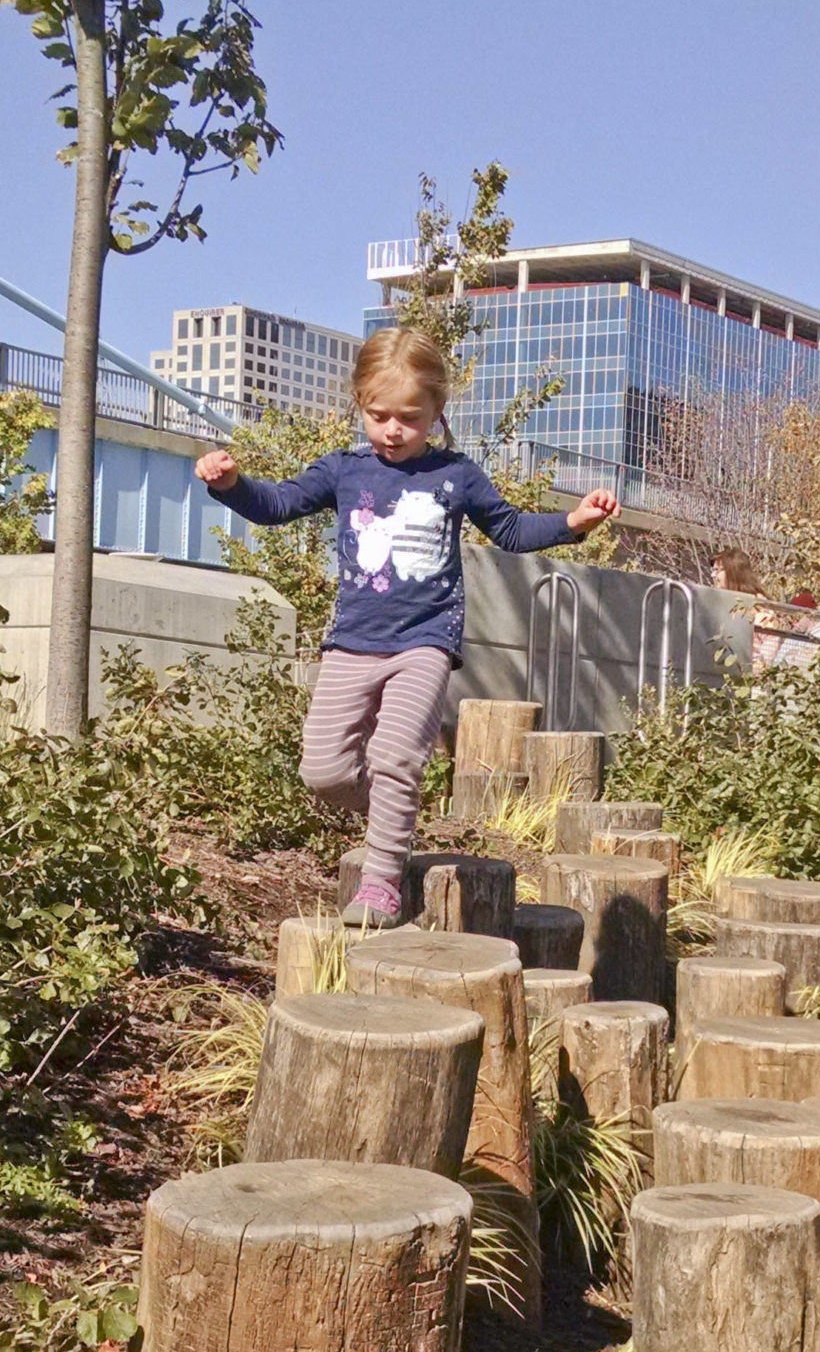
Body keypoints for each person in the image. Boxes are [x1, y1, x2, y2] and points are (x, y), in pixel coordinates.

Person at [194, 326, 621, 929]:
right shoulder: (344, 471)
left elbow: (510, 530)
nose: (393, 430)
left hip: (425, 640)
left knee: (395, 756)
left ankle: (381, 884)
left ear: (436, 412)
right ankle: (396, 807)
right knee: (324, 770)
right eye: (379, 415)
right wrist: (230, 485)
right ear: (360, 405)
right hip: (352, 642)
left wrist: (573, 522)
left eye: (410, 418)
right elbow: (278, 506)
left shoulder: (457, 475)